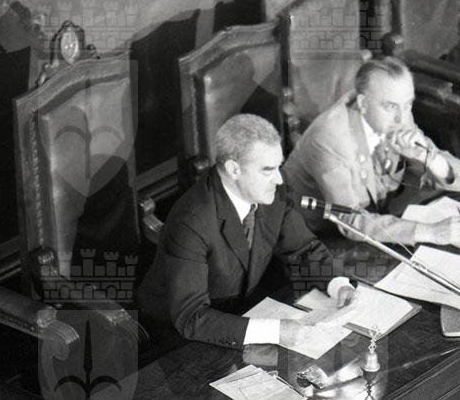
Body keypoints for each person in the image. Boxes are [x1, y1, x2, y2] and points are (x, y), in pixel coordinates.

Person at [137, 114, 354, 350]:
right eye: (267, 170)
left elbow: (304, 250)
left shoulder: (271, 193)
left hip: (242, 314)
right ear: (234, 169)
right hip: (179, 339)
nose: (279, 179)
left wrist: (337, 284)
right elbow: (191, 317)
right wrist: (275, 332)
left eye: (279, 166)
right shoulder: (191, 221)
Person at [283, 57, 460, 245]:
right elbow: (349, 220)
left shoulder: (398, 114)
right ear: (363, 104)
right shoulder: (329, 139)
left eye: (408, 104)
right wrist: (430, 232)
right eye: (390, 106)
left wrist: (428, 158)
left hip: (374, 223)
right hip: (316, 237)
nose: (401, 118)